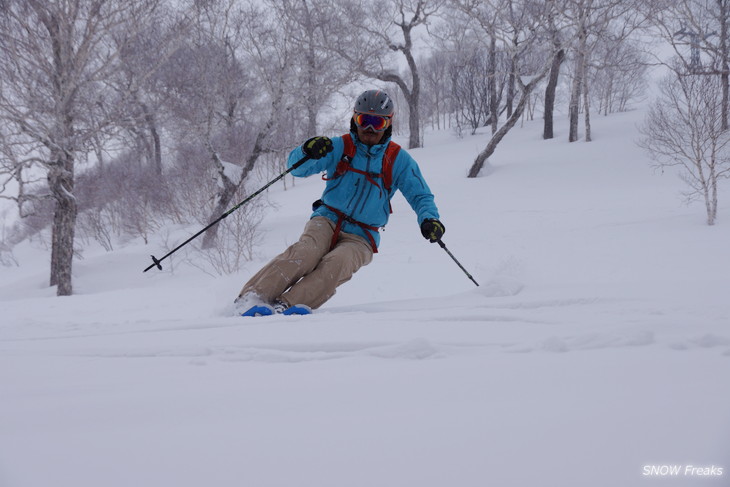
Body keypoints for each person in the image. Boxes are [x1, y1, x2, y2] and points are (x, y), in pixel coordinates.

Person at [234, 89, 445, 316]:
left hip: (363, 235)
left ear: (388, 123)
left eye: (377, 122)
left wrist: (429, 219)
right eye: (364, 120)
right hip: (327, 219)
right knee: (307, 251)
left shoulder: (398, 159)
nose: (370, 129)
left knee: (338, 263)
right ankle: (251, 299)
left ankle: (286, 305)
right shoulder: (339, 146)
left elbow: (420, 195)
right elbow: (297, 168)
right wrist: (308, 150)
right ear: (354, 119)